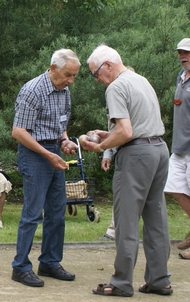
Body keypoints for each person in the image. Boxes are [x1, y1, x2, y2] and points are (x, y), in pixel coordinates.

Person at [82, 44, 171, 296]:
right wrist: (108, 136)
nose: (97, 79)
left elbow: (126, 132)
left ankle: (121, 283)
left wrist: (100, 147)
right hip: (159, 150)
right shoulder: (140, 80)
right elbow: (135, 126)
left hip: (136, 156)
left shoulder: (116, 87)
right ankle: (159, 280)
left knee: (126, 221)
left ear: (108, 65)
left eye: (96, 73)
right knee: (156, 219)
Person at [11, 49, 80, 288]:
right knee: (32, 214)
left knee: (57, 211)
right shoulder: (32, 90)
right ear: (52, 68)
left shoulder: (64, 90)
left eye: (74, 76)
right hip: (34, 154)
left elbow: (60, 123)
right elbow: (18, 132)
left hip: (53, 152)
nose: (70, 80)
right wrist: (48, 154)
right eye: (67, 75)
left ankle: (50, 262)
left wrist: (65, 141)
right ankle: (20, 267)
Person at [165, 38, 190, 259]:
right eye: (181, 53)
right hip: (179, 147)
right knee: (172, 185)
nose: (183, 56)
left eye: (187, 53)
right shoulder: (180, 78)